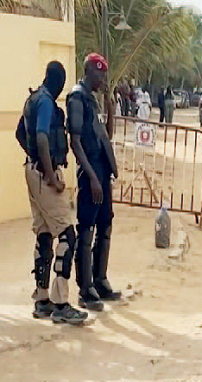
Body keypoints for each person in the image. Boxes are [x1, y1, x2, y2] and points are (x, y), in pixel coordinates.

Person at [16, 61, 88, 324]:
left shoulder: (31, 99)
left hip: (31, 171)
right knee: (67, 234)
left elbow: (19, 133)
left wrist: (33, 159)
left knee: (45, 233)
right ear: (58, 82)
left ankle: (42, 299)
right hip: (44, 174)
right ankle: (61, 304)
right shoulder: (46, 102)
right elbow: (44, 137)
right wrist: (48, 173)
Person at [68, 53, 122, 312]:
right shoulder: (77, 98)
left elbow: (106, 137)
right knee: (87, 231)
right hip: (90, 174)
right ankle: (85, 288)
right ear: (88, 71)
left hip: (102, 173)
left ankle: (100, 281)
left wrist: (110, 107)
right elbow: (75, 142)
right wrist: (91, 177)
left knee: (105, 227)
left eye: (104, 75)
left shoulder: (92, 101)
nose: (102, 79)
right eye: (98, 74)